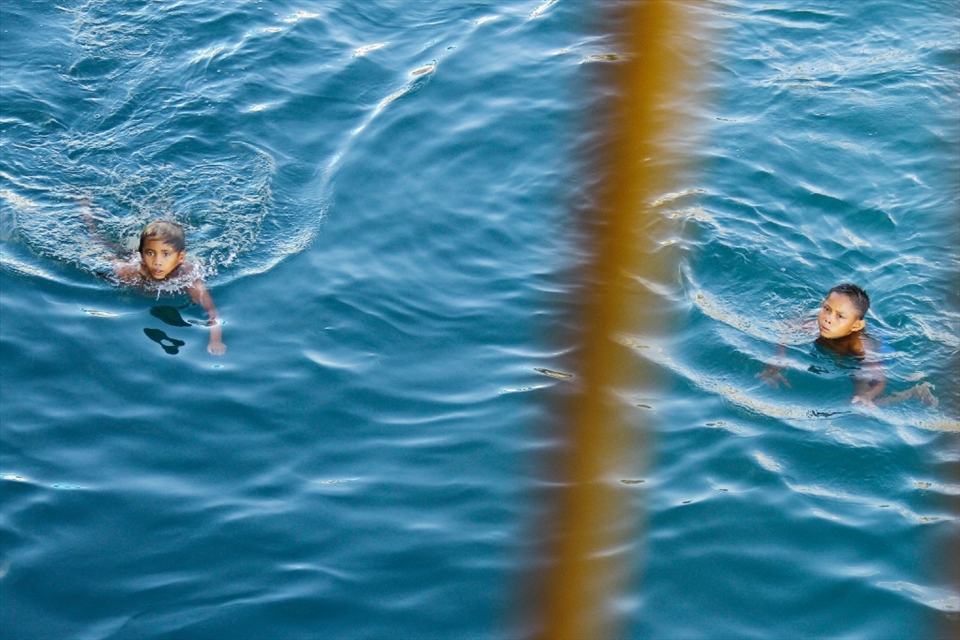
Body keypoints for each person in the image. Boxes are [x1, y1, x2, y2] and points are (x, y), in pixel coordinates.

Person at [761, 283, 935, 407]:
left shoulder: (860, 346)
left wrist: (867, 395)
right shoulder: (815, 324)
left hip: (877, 351)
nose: (828, 318)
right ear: (822, 305)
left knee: (858, 403)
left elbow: (880, 380)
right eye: (827, 309)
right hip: (843, 345)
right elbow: (788, 328)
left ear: (855, 325)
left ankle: (912, 392)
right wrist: (779, 357)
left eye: (840, 316)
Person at [112, 219, 227, 355]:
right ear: (141, 254)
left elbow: (211, 312)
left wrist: (215, 340)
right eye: (150, 253)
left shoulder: (189, 277)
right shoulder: (130, 272)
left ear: (180, 257)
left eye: (166, 254)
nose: (157, 262)